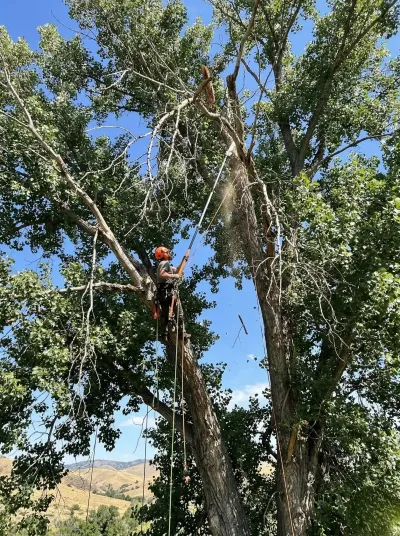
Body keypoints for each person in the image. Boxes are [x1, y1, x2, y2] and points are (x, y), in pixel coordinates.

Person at [155, 246, 185, 341]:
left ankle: (164, 334)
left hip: (163, 294)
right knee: (179, 313)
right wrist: (174, 276)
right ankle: (181, 333)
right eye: (168, 252)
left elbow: (177, 270)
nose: (169, 253)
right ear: (163, 254)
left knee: (165, 315)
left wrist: (183, 261)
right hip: (168, 293)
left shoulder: (167, 265)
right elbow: (162, 274)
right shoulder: (164, 263)